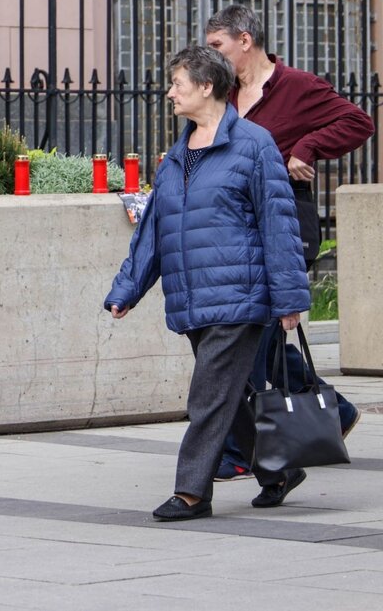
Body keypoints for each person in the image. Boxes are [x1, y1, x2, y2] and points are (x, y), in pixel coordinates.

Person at [104, 44, 311, 521]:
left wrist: (289, 299)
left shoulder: (255, 144)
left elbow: (278, 225)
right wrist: (127, 290)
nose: (170, 93)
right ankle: (278, 469)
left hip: (240, 294)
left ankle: (192, 492)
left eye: (178, 83)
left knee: (208, 394)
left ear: (206, 86)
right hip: (193, 296)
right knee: (228, 394)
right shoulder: (177, 156)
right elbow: (155, 231)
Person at [206, 4, 375, 480]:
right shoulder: (224, 93)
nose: (211, 55)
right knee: (252, 334)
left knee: (254, 335)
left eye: (217, 46)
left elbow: (358, 122)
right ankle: (331, 410)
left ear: (245, 40)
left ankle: (241, 449)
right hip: (238, 225)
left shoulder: (298, 87)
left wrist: (307, 148)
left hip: (285, 218)